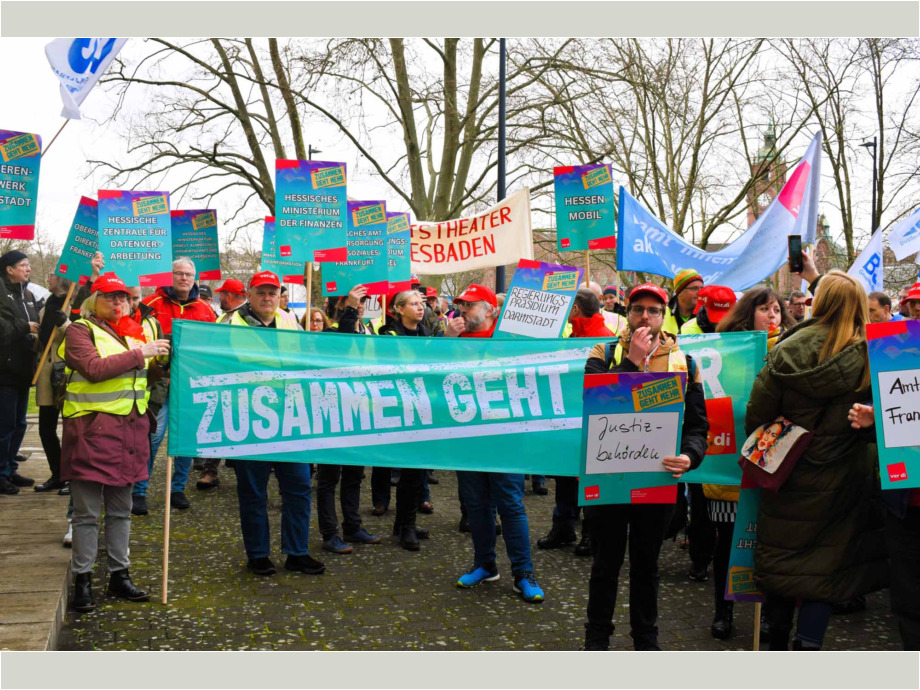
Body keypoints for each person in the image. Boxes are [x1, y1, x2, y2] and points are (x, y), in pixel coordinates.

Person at [747, 270, 888, 650]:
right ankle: (808, 647)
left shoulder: (784, 350)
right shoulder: (874, 355)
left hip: (787, 473)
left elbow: (757, 415)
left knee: (782, 561)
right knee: (826, 572)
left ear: (819, 302)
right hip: (844, 480)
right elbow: (893, 417)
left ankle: (775, 642)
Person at [582, 282, 710, 650]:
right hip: (608, 478)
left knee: (646, 566)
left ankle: (646, 640)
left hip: (656, 480)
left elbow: (697, 425)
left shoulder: (685, 361)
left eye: (653, 310)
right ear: (627, 311)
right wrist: (631, 361)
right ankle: (596, 640)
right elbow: (598, 403)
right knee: (605, 564)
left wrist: (690, 456)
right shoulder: (604, 351)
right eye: (638, 308)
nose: (645, 316)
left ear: (664, 314)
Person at [59, 272, 170, 611]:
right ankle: (83, 580)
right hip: (92, 434)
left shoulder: (132, 332)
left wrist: (162, 360)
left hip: (129, 433)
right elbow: (93, 368)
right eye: (111, 296)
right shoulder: (79, 330)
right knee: (87, 514)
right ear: (94, 300)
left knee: (121, 512)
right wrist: (142, 354)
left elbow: (146, 374)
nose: (119, 302)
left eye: (123, 297)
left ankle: (119, 575)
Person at [691, 285, 791, 640]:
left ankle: (767, 614)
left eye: (777, 310)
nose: (773, 316)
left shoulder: (790, 350)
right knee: (727, 540)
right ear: (748, 313)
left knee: (768, 541)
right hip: (730, 464)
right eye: (766, 309)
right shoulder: (723, 351)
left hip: (773, 461)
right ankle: (724, 609)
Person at [445, 284, 545, 603]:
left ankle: (524, 573)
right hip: (467, 439)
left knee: (511, 505)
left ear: (491, 310)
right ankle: (485, 565)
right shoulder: (451, 341)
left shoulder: (509, 342)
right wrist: (446, 342)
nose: (463, 311)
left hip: (506, 439)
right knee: (476, 506)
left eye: (470, 305)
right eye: (461, 305)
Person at [226, 271, 325, 577]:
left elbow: (306, 361)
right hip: (248, 418)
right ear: (249, 293)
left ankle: (297, 552)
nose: (268, 297)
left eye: (273, 292)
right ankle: (258, 554)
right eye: (261, 292)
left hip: (290, 419)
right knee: (253, 491)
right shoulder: (228, 324)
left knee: (297, 487)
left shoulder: (289, 321)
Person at [135, 257, 217, 514]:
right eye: (178, 273)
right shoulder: (150, 304)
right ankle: (139, 490)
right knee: (152, 437)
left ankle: (177, 488)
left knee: (186, 440)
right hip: (159, 383)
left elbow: (212, 346)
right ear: (169, 275)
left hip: (191, 385)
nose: (183, 278)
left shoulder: (205, 309)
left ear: (195, 278)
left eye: (188, 274)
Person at [537, 289, 610, 558]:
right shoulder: (576, 337)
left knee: (590, 478)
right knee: (566, 475)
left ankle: (591, 533)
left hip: (590, 420)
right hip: (569, 419)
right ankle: (564, 528)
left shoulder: (601, 340)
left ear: (576, 310)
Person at [849, 401, 920, 650]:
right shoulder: (899, 362)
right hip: (906, 506)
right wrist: (871, 420)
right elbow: (888, 405)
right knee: (909, 603)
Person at [376, 289, 436, 551]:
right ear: (398, 309)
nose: (420, 308)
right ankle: (407, 527)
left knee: (416, 470)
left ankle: (402, 524)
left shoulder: (425, 333)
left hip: (422, 408)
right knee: (410, 470)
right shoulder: (389, 336)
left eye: (421, 303)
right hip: (401, 410)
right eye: (413, 304)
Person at [0, 250, 39, 494]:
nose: (28, 269)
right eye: (23, 265)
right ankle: (1, 473)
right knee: (4, 426)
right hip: (4, 371)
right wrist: (24, 326)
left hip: (23, 371)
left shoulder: (28, 294)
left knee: (19, 424)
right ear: (9, 269)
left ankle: (10, 469)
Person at [33, 270, 74, 493]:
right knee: (45, 429)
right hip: (46, 373)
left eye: (50, 274)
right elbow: (43, 341)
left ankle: (72, 477)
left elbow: (84, 337)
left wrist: (67, 323)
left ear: (61, 279)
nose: (47, 277)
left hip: (66, 372)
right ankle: (57, 474)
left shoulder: (74, 305)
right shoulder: (46, 306)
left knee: (71, 429)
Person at [664, 268, 703, 334]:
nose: (700, 292)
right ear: (680, 292)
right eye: (694, 288)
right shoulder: (663, 313)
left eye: (702, 288)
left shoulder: (705, 315)